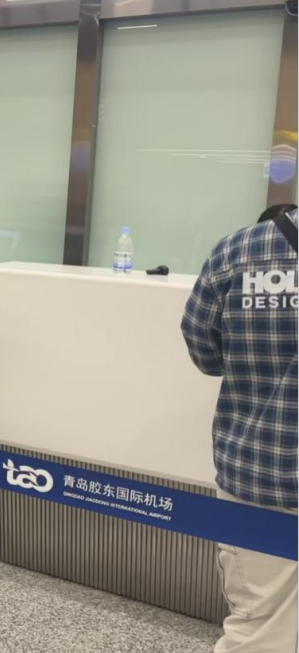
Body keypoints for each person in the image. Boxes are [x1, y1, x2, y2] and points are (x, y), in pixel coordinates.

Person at [182, 207, 298, 652]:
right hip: (261, 477)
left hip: (258, 473)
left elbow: (204, 350)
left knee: (260, 628)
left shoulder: (238, 251)